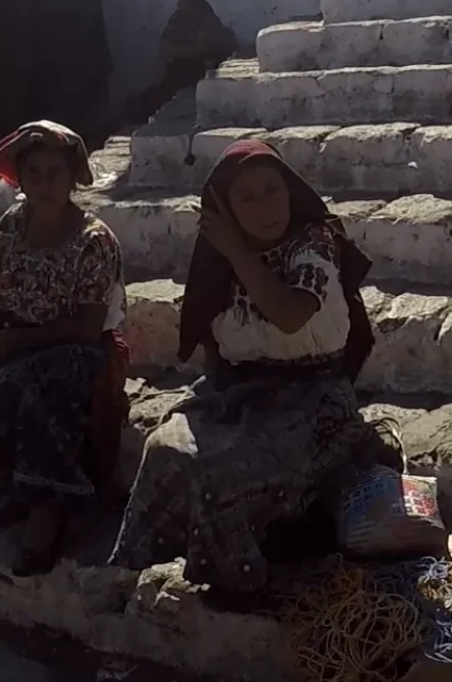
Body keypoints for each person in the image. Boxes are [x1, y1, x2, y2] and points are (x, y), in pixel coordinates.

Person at [109, 140, 389, 597]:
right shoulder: (215, 260)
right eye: (247, 197)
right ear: (224, 207)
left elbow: (290, 314)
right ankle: (142, 566)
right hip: (241, 393)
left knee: (225, 470)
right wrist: (216, 409)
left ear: (290, 191)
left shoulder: (312, 243)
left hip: (315, 400)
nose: (265, 207)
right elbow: (214, 347)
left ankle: (241, 582)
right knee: (166, 447)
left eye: (272, 190)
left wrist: (239, 253)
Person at [0, 121, 127, 576]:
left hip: (84, 349)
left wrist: (17, 340)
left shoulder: (93, 241)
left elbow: (86, 329)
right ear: (20, 179)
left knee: (51, 379)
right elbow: (3, 293)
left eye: (55, 172)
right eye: (35, 172)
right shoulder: (12, 226)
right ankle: (20, 491)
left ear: (72, 177)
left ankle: (51, 507)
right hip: (21, 340)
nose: (45, 183)